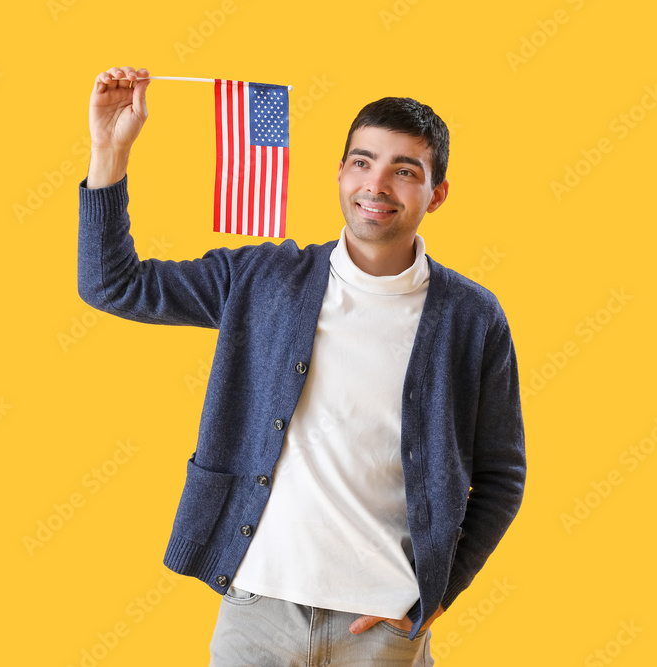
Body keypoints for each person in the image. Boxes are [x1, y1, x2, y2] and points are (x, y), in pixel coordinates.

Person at [78, 66, 526, 666]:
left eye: (404, 170)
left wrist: (436, 595)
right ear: (341, 173)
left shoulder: (472, 317)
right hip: (256, 608)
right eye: (363, 162)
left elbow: (501, 477)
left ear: (436, 193)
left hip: (383, 627)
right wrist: (110, 151)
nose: (377, 184)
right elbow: (113, 284)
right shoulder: (264, 279)